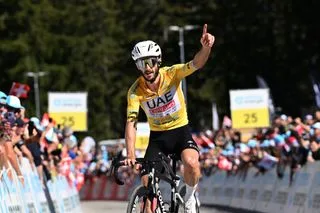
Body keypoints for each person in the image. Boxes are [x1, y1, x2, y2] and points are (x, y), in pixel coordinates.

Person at [124, 24, 215, 213]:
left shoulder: (172, 74)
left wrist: (205, 48)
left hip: (180, 131)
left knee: (191, 164)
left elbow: (196, 63)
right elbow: (131, 124)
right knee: (146, 183)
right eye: (142, 63)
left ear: (158, 61)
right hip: (158, 138)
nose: (147, 68)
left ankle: (189, 197)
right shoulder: (135, 91)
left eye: (150, 61)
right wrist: (130, 154)